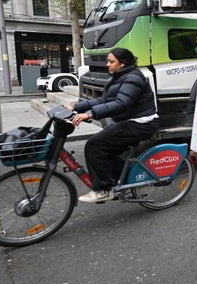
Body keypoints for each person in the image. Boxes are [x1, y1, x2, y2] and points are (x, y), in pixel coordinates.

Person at [66, 47, 158, 203]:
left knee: (95, 145)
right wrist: (76, 107)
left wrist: (90, 114)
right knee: (106, 150)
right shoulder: (120, 77)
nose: (107, 64)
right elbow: (104, 100)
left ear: (122, 63)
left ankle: (104, 190)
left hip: (142, 123)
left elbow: (122, 103)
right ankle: (126, 179)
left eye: (111, 61)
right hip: (130, 121)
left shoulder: (133, 78)